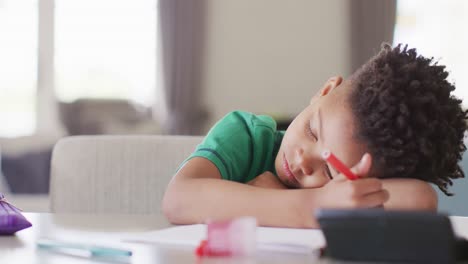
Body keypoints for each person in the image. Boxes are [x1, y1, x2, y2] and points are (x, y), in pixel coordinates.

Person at [162, 44, 468, 228]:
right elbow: (178, 200)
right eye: (312, 130)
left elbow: (421, 198)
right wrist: (312, 205)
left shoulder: (351, 194)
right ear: (323, 92)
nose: (304, 160)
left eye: (331, 170)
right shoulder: (246, 135)